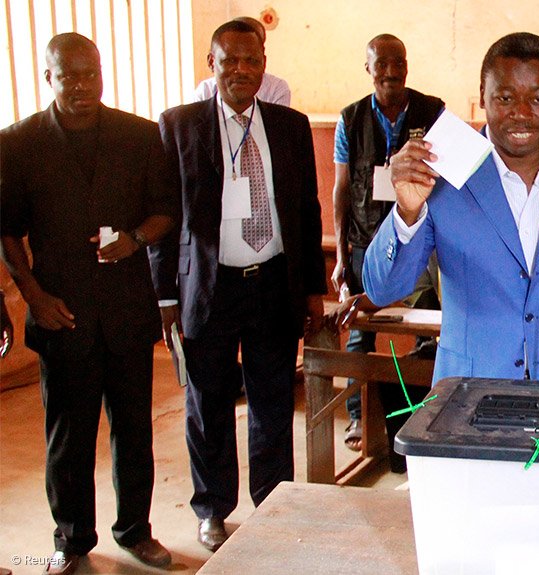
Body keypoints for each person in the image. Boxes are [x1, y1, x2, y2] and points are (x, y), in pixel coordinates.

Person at [363, 32, 539, 385]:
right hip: (470, 394)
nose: (520, 113)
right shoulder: (442, 175)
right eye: (504, 97)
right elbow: (383, 290)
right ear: (482, 97)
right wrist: (406, 215)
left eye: (537, 98)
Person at [0, 33, 175, 574]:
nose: (81, 85)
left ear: (102, 73)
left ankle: (135, 531)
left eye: (90, 73)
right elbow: (7, 233)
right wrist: (34, 296)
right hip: (61, 312)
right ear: (47, 78)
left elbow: (167, 209)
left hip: (125, 308)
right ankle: (72, 539)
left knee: (134, 429)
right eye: (68, 75)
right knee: (68, 434)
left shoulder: (141, 136)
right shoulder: (17, 143)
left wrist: (137, 239)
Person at [152, 19, 325, 552]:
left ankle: (274, 502)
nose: (241, 71)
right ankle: (212, 509)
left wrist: (312, 290)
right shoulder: (178, 126)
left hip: (272, 282)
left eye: (252, 60)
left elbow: (305, 212)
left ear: (264, 65)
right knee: (207, 404)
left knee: (273, 402)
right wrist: (165, 295)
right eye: (230, 60)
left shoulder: (290, 126)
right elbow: (163, 215)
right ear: (212, 65)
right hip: (209, 286)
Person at [331, 34, 444, 456]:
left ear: (407, 65)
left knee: (427, 328)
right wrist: (342, 257)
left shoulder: (433, 111)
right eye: (382, 64)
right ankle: (360, 414)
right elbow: (342, 189)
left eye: (398, 62)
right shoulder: (351, 118)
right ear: (368, 69)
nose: (391, 72)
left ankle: (422, 416)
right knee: (359, 331)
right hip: (366, 239)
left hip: (420, 240)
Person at [192, 16, 291, 106]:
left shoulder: (276, 88)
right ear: (211, 62)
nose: (242, 69)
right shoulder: (205, 90)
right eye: (231, 60)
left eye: (251, 60)